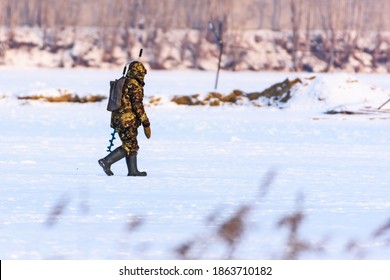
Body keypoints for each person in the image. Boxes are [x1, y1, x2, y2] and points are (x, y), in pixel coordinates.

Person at [98, 61, 151, 176]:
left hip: (117, 119)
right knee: (128, 145)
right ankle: (106, 161)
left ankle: (133, 171)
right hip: (128, 120)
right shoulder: (134, 84)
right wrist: (146, 123)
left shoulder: (122, 82)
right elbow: (138, 106)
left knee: (132, 144)